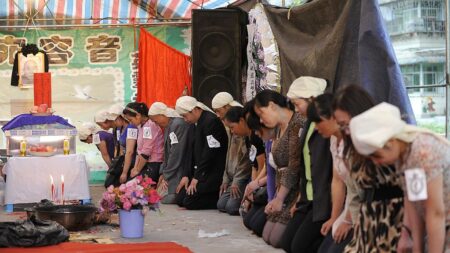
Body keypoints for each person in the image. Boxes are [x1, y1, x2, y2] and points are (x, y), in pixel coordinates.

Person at [350, 102, 449, 253]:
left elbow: (436, 213)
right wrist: (415, 245)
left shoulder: (423, 152)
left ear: (391, 142)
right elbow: (415, 200)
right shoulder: (404, 154)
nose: (376, 163)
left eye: (376, 156)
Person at [332, 85, 404, 253]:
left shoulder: (392, 142)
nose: (345, 131)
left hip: (397, 222)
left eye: (346, 124)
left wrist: (409, 232)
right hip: (368, 221)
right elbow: (356, 195)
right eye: (341, 126)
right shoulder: (351, 149)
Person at [280, 76, 333, 253]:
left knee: (299, 247)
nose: (296, 110)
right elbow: (303, 166)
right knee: (286, 243)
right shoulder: (308, 122)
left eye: (297, 104)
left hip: (322, 200)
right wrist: (299, 199)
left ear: (311, 99)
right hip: (307, 198)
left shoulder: (327, 124)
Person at [304, 94, 360, 253]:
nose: (315, 127)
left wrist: (348, 221)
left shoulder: (357, 141)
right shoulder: (334, 140)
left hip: (363, 210)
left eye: (317, 122)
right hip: (350, 207)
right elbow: (338, 181)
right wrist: (335, 217)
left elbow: (360, 190)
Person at [253, 90, 305, 248]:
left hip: (296, 191)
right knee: (267, 235)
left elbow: (294, 167)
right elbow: (273, 169)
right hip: (282, 191)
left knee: (276, 239)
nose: (261, 120)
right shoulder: (277, 129)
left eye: (262, 114)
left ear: (272, 106)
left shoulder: (297, 123)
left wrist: (280, 198)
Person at [175, 96, 228, 210]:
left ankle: (216, 197)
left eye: (185, 116)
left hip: (211, 171)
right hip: (200, 171)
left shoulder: (211, 121)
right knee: (180, 199)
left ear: (194, 110)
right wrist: (186, 175)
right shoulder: (194, 123)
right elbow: (190, 152)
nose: (185, 120)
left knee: (189, 202)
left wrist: (197, 177)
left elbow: (210, 152)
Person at [212, 92, 252, 216]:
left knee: (231, 207)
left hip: (241, 176)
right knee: (221, 205)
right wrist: (226, 178)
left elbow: (246, 159)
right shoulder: (229, 123)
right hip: (231, 176)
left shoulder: (240, 122)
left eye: (219, 111)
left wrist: (237, 181)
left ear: (227, 107)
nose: (218, 115)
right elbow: (229, 153)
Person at [148, 102, 194, 204]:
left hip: (180, 169)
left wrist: (166, 175)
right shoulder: (169, 125)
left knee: (166, 199)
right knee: (157, 197)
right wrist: (162, 173)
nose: (156, 123)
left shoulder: (177, 124)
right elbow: (167, 152)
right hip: (172, 169)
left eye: (156, 120)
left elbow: (176, 153)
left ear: (162, 115)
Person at [242, 103, 275, 237]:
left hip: (283, 191)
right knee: (249, 220)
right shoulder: (265, 139)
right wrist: (254, 184)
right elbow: (260, 166)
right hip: (270, 186)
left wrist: (257, 183)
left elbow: (285, 173)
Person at [123, 102, 164, 183]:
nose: (130, 123)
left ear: (138, 115)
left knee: (132, 187)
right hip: (144, 163)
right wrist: (135, 168)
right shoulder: (141, 126)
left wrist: (137, 170)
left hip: (154, 164)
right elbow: (139, 151)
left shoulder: (149, 126)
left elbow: (146, 152)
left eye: (131, 120)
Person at [107, 104, 137, 184]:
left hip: (132, 163)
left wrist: (124, 172)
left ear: (121, 117)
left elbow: (129, 152)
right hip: (125, 162)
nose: (113, 123)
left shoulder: (132, 127)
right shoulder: (119, 128)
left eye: (115, 120)